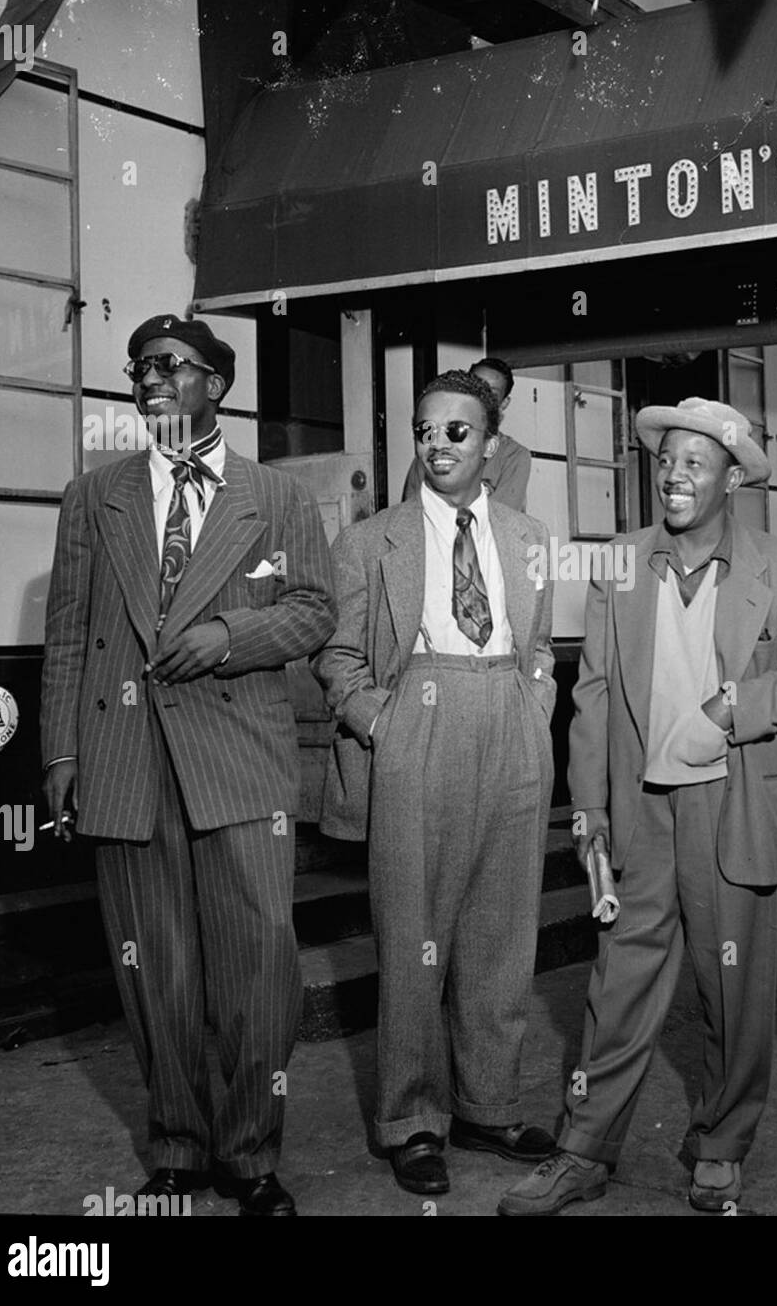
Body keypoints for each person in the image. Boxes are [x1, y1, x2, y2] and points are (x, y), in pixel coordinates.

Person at [41, 313, 336, 1216]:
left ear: (218, 381)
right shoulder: (94, 497)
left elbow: (316, 611)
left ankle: (251, 1155)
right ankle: (177, 1145)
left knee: (255, 969)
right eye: (139, 367)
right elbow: (64, 635)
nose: (149, 378)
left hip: (239, 763)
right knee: (152, 972)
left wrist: (228, 637)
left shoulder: (277, 498)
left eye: (170, 365)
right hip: (125, 761)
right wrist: (60, 754)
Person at [499, 398, 777, 1216]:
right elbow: (596, 694)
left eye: (695, 463)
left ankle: (720, 1147)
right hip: (639, 810)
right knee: (617, 986)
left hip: (732, 805)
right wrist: (589, 810)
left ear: (733, 478)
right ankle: (583, 1150)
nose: (674, 476)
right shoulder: (620, 563)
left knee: (733, 993)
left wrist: (726, 710)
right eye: (667, 460)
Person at [314, 370, 557, 1197]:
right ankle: (412, 1121)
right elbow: (337, 657)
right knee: (415, 939)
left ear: (490, 446)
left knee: (504, 933)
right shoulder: (369, 542)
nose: (438, 444)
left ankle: (489, 1103)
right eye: (425, 430)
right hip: (419, 715)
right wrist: (382, 723)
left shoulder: (528, 535)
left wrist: (537, 704)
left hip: (511, 723)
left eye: (458, 431)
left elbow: (542, 646)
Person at [401, 357, 531, 511]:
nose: (480, 398)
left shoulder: (513, 455)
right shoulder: (433, 449)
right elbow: (411, 515)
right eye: (472, 388)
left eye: (491, 393)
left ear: (503, 403)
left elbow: (501, 520)